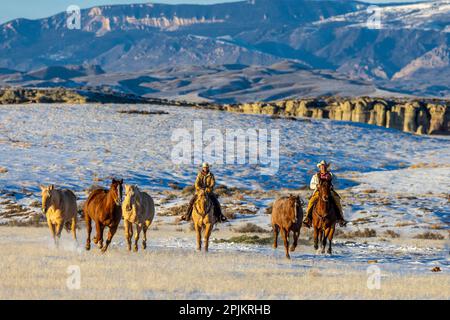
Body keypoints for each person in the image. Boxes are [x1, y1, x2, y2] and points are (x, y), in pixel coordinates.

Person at [302, 160, 347, 227]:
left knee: (337, 200)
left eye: (324, 166)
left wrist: (332, 185)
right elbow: (311, 185)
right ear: (319, 167)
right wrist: (317, 186)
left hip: (329, 191)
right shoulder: (315, 176)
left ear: (326, 167)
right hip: (318, 192)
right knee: (311, 201)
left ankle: (340, 218)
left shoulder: (331, 175)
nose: (323, 168)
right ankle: (308, 218)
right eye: (322, 167)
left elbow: (337, 184)